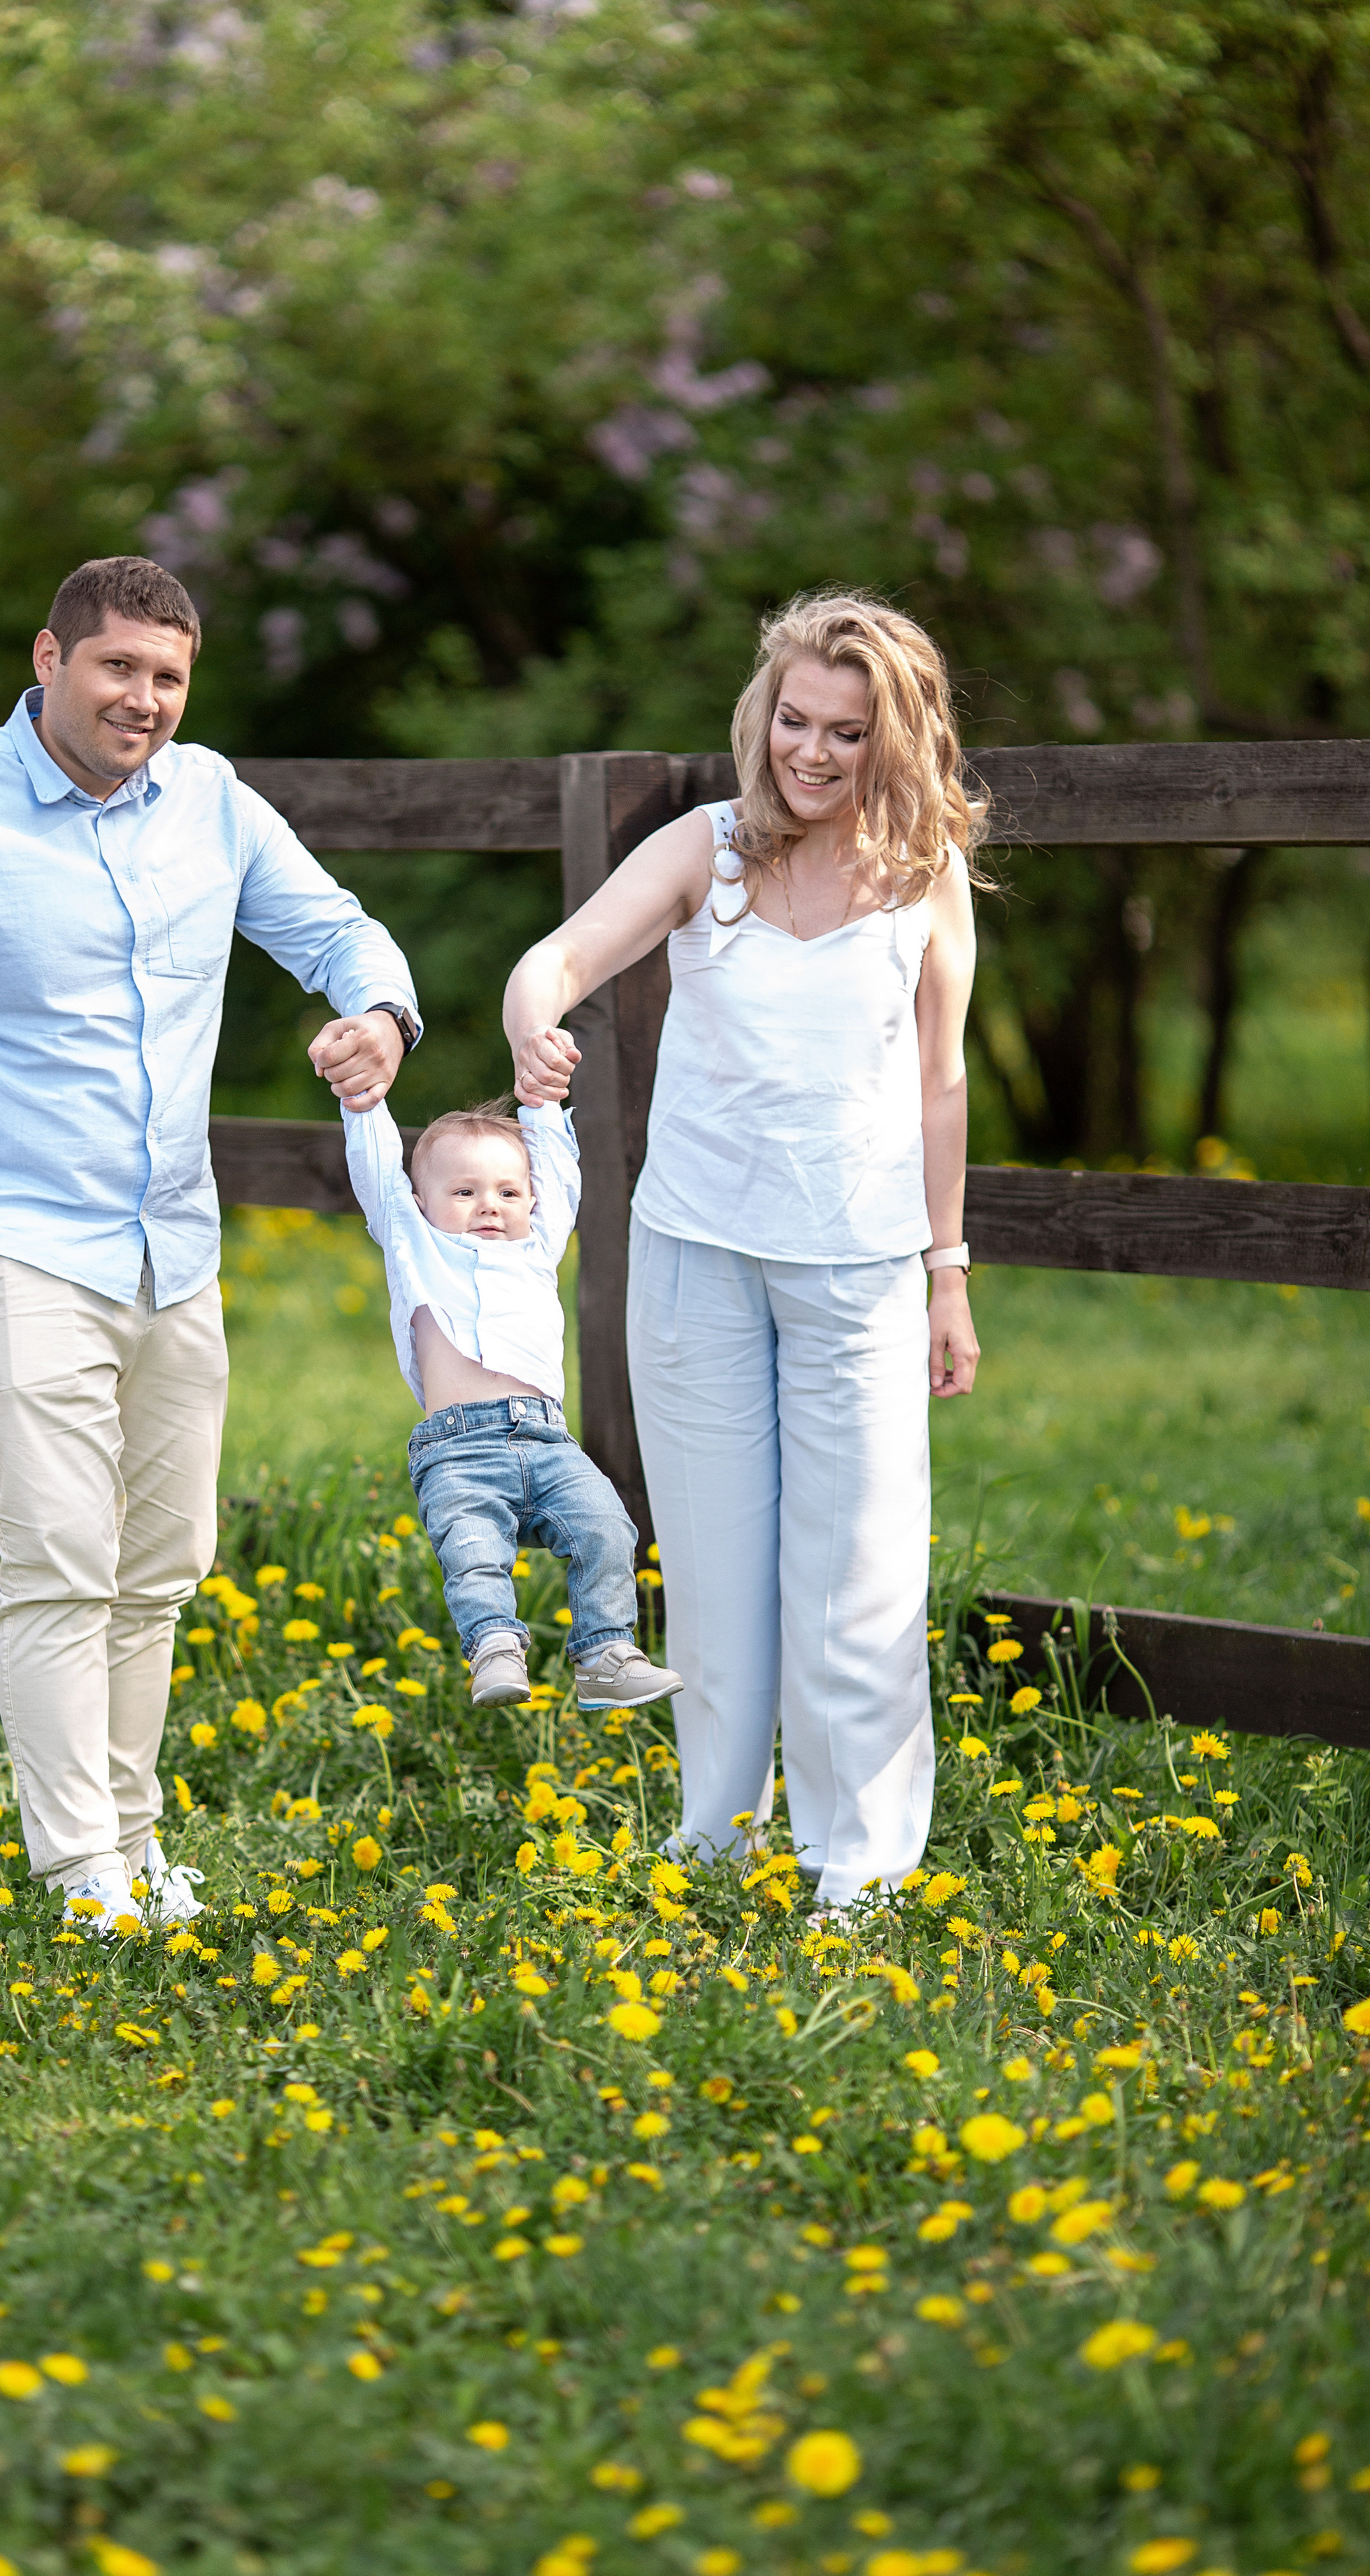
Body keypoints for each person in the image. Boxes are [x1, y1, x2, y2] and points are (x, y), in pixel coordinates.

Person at [0, 555, 421, 1935]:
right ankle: (82, 1874)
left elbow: (334, 927)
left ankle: (134, 1853)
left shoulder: (208, 800)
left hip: (170, 1251)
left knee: (160, 1561)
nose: (142, 699)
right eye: (116, 668)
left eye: (166, 676)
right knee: (65, 1554)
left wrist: (381, 1015)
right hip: (6, 1245)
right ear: (48, 660)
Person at [501, 589, 983, 1913]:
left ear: (895, 739)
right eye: (795, 721)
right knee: (714, 1574)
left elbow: (941, 1086)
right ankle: (715, 1844)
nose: (812, 753)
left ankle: (859, 1870)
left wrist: (948, 1274)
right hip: (694, 1260)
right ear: (761, 715)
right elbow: (556, 958)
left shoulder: (926, 874)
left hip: (862, 1269)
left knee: (859, 1578)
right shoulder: (702, 850)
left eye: (845, 732)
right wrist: (533, 1027)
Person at [342, 1091, 683, 1716]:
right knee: (472, 1548)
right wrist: (362, 1101)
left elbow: (558, 1172)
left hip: (549, 1442)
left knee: (608, 1526)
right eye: (464, 1192)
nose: (488, 1206)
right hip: (458, 1448)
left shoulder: (536, 1249)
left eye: (506, 1191)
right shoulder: (414, 1248)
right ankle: (494, 1645)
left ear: (530, 1201)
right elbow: (374, 1169)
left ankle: (606, 1654)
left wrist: (543, 1101)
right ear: (421, 1206)